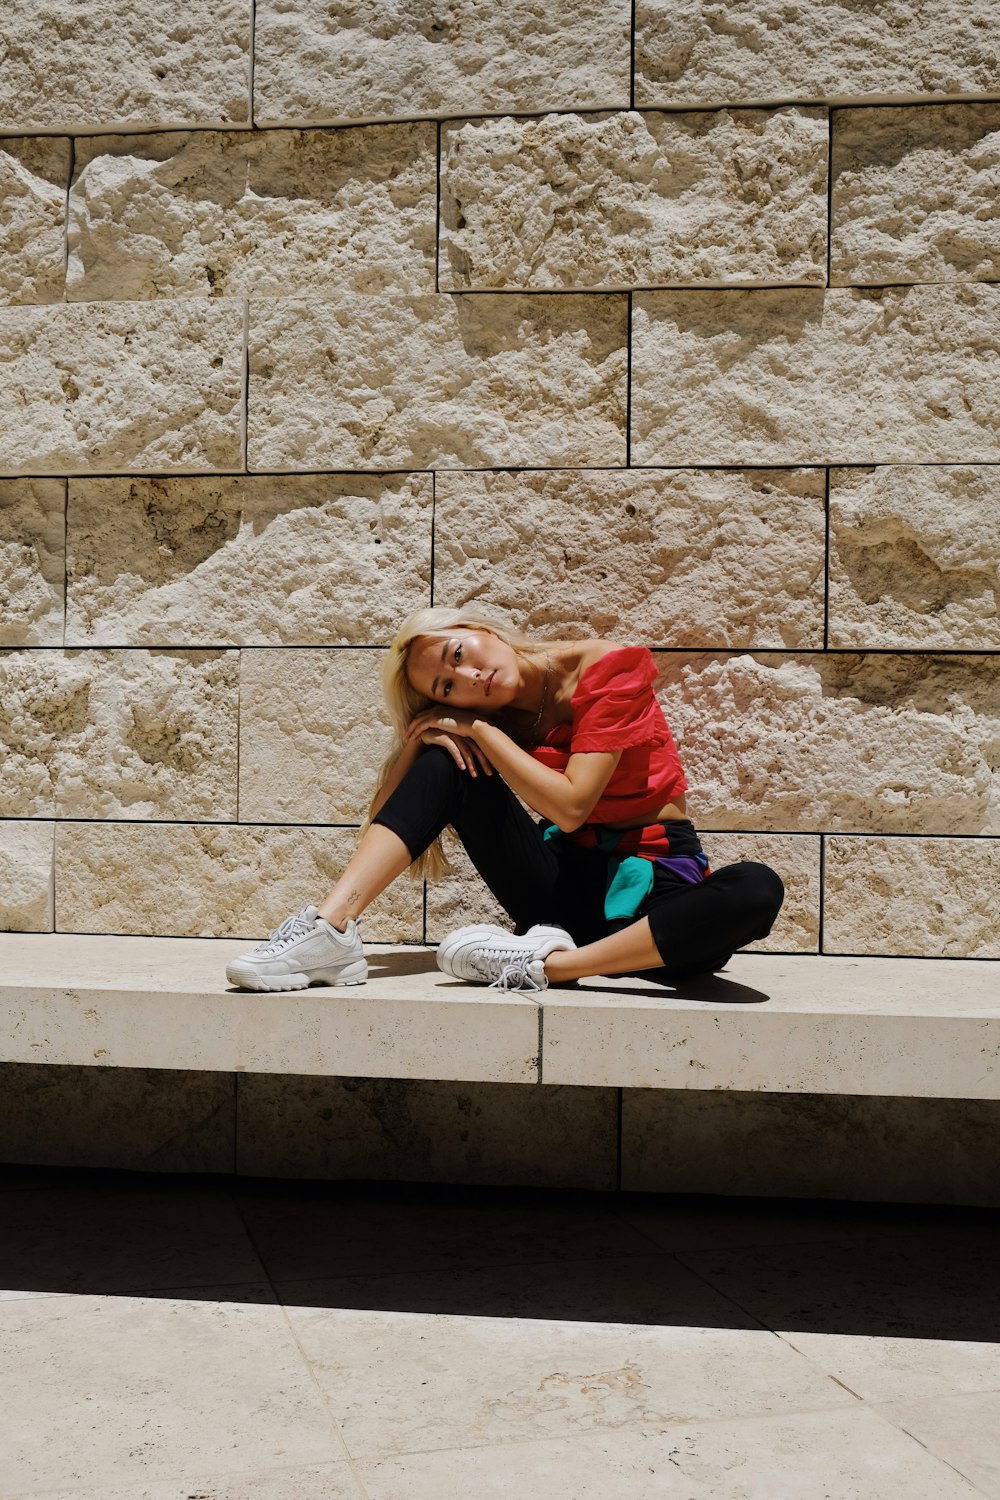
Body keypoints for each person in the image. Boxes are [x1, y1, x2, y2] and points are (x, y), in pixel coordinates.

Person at [225, 607, 784, 993]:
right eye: (448, 687)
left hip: (657, 898)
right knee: (446, 762)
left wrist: (478, 729)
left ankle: (552, 969)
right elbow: (393, 821)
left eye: (459, 652)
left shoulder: (609, 669)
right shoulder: (485, 713)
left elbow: (572, 805)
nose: (472, 676)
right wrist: (418, 741)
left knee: (756, 887)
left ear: (478, 629)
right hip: (559, 891)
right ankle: (331, 929)